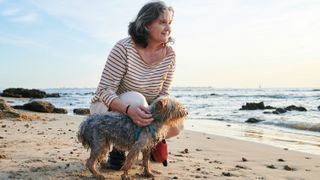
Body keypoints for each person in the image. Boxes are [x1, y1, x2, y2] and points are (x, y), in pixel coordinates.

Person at [90, 1, 183, 170]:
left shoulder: (170, 55)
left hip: (144, 110)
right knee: (136, 100)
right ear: (146, 25)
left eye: (170, 23)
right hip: (110, 108)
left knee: (177, 125)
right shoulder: (124, 48)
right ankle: (118, 147)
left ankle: (142, 144)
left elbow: (164, 93)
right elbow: (104, 90)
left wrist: (157, 115)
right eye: (162, 22)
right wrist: (129, 110)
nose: (168, 28)